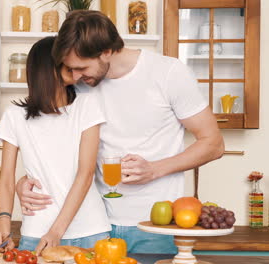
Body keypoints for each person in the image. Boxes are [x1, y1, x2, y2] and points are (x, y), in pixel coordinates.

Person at [16, 10, 224, 254]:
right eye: (70, 69)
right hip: (93, 226)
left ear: (106, 51)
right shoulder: (81, 86)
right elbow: (53, 145)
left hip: (153, 224)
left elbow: (214, 144)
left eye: (81, 68)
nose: (74, 77)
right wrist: (24, 182)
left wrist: (154, 169)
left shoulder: (168, 73)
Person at [0, 36, 111, 255]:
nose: (76, 74)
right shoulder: (14, 116)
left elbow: (86, 173)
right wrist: (3, 229)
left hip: (89, 231)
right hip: (36, 234)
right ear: (49, 69)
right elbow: (6, 178)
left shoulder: (87, 106)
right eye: (68, 67)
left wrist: (56, 231)